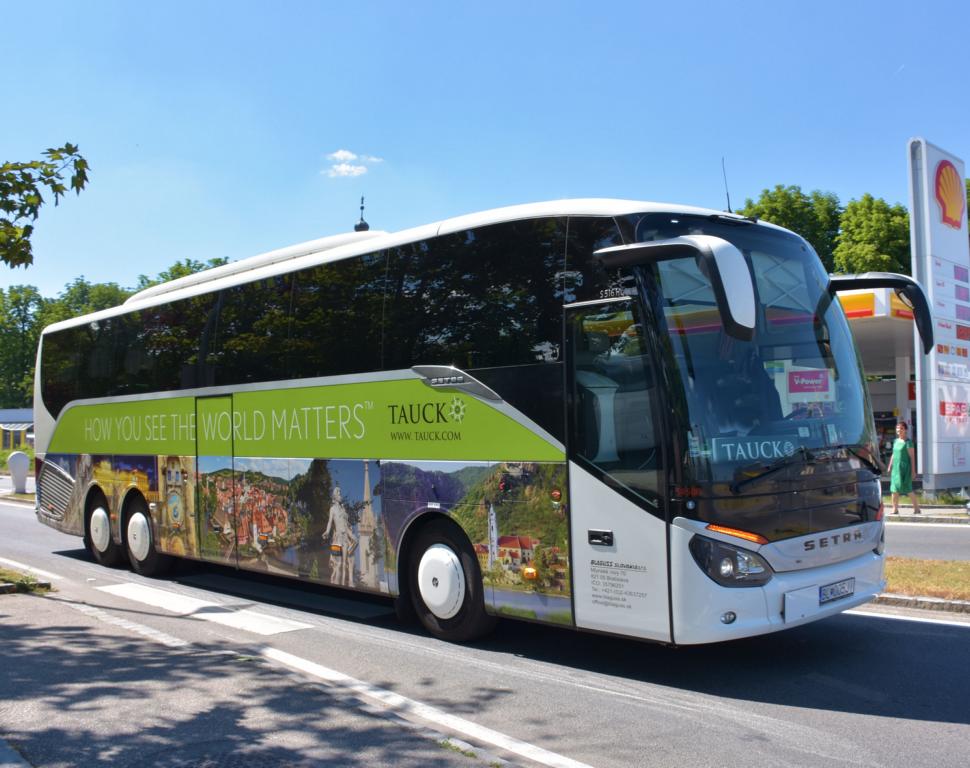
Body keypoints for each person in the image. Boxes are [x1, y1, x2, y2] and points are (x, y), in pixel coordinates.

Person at [887, 422, 920, 515]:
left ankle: (917, 509)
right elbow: (893, 454)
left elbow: (912, 457)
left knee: (908, 489)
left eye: (901, 428)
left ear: (905, 430)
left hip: (905, 469)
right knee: (894, 489)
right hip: (896, 470)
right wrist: (890, 465)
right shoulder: (896, 441)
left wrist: (913, 471)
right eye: (897, 428)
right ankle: (895, 509)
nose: (899, 430)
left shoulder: (908, 442)